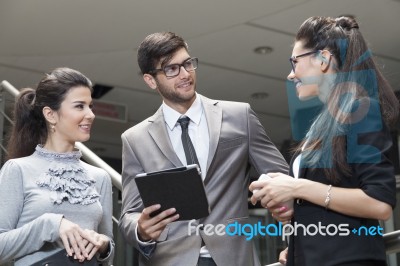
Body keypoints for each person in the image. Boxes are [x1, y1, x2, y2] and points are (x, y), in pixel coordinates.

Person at [118, 31, 289, 266]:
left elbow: (284, 182)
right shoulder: (135, 139)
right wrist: (141, 229)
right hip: (169, 259)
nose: (185, 74)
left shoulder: (240, 116)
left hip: (235, 257)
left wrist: (294, 239)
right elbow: (129, 213)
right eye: (171, 69)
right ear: (150, 80)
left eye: (188, 63)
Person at [250, 16, 399, 266]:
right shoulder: (323, 124)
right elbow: (328, 207)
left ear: (324, 59)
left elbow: (379, 203)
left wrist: (296, 188)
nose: (290, 74)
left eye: (294, 62)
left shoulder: (361, 110)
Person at [0, 68, 115, 265]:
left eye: (90, 106)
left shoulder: (100, 177)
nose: (90, 114)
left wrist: (104, 245)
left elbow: (108, 252)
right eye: (80, 106)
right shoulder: (17, 169)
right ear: (50, 115)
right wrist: (50, 225)